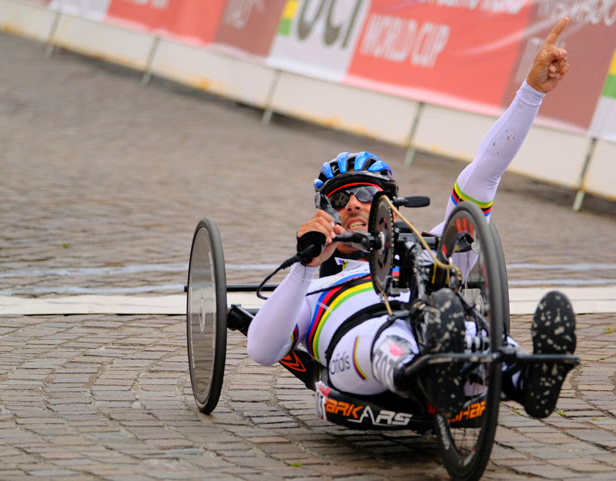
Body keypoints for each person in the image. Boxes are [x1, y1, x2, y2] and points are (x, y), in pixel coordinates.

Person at [247, 17, 576, 419]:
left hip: (441, 329)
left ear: (391, 205)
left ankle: (526, 377)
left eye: (366, 194)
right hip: (360, 349)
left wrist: (531, 93)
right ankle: (428, 372)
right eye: (339, 199)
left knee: (477, 334)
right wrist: (304, 267)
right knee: (388, 337)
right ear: (324, 213)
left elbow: (484, 174)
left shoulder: (436, 247)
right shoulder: (312, 282)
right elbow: (263, 350)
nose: (352, 204)